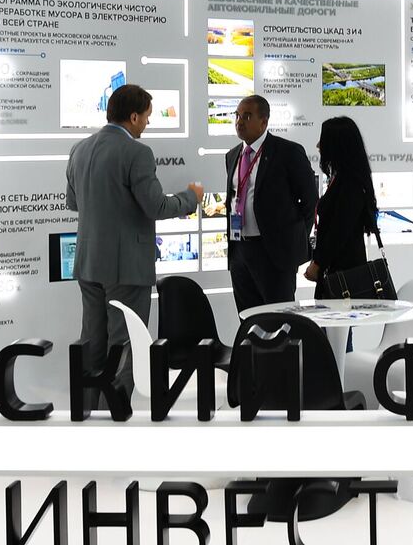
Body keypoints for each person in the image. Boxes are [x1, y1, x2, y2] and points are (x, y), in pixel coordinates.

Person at [66, 84, 204, 400]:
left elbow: (73, 202)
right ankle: (115, 416)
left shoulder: (79, 149)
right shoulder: (137, 152)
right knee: (126, 347)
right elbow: (157, 207)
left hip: (88, 263)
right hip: (126, 268)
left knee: (92, 345)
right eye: (146, 116)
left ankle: (90, 414)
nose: (148, 123)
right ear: (133, 117)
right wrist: (191, 197)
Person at [225, 94, 319, 311]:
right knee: (248, 317)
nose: (239, 121)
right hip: (240, 250)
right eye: (237, 115)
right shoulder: (232, 156)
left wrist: (294, 237)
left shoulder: (287, 152)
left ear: (264, 121)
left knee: (279, 317)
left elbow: (310, 200)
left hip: (275, 254)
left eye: (247, 116)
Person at [303, 116, 378, 290]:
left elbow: (339, 231)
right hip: (338, 269)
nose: (318, 146)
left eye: (323, 141)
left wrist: (318, 263)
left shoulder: (350, 184)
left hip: (345, 274)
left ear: (336, 145)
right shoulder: (341, 179)